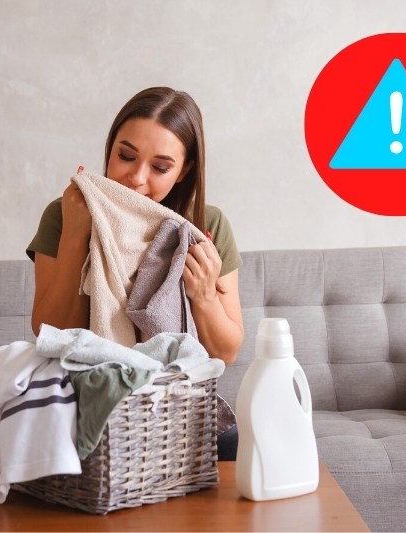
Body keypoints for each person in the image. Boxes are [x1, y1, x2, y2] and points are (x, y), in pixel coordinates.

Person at [26, 87, 243, 459]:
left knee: (230, 443)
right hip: (84, 390)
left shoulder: (204, 226)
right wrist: (78, 231)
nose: (137, 178)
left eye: (160, 167)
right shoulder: (66, 213)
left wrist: (204, 296)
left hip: (174, 400)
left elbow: (225, 353)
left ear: (184, 169)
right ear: (109, 148)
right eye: (125, 156)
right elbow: (51, 331)